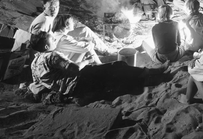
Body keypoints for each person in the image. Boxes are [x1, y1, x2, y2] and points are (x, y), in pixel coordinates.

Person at [28, 32, 164, 105]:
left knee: (108, 78)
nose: (55, 41)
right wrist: (86, 61)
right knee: (117, 66)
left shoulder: (35, 62)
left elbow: (39, 83)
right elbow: (74, 69)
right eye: (52, 40)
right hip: (78, 80)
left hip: (68, 90)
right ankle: (150, 72)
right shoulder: (52, 55)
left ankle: (83, 97)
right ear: (46, 47)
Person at [28, 0, 108, 53]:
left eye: (57, 7)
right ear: (44, 7)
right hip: (52, 47)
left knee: (85, 30)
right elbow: (36, 45)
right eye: (52, 8)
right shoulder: (43, 22)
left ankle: (105, 50)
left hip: (54, 43)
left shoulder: (50, 16)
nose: (55, 10)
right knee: (84, 48)